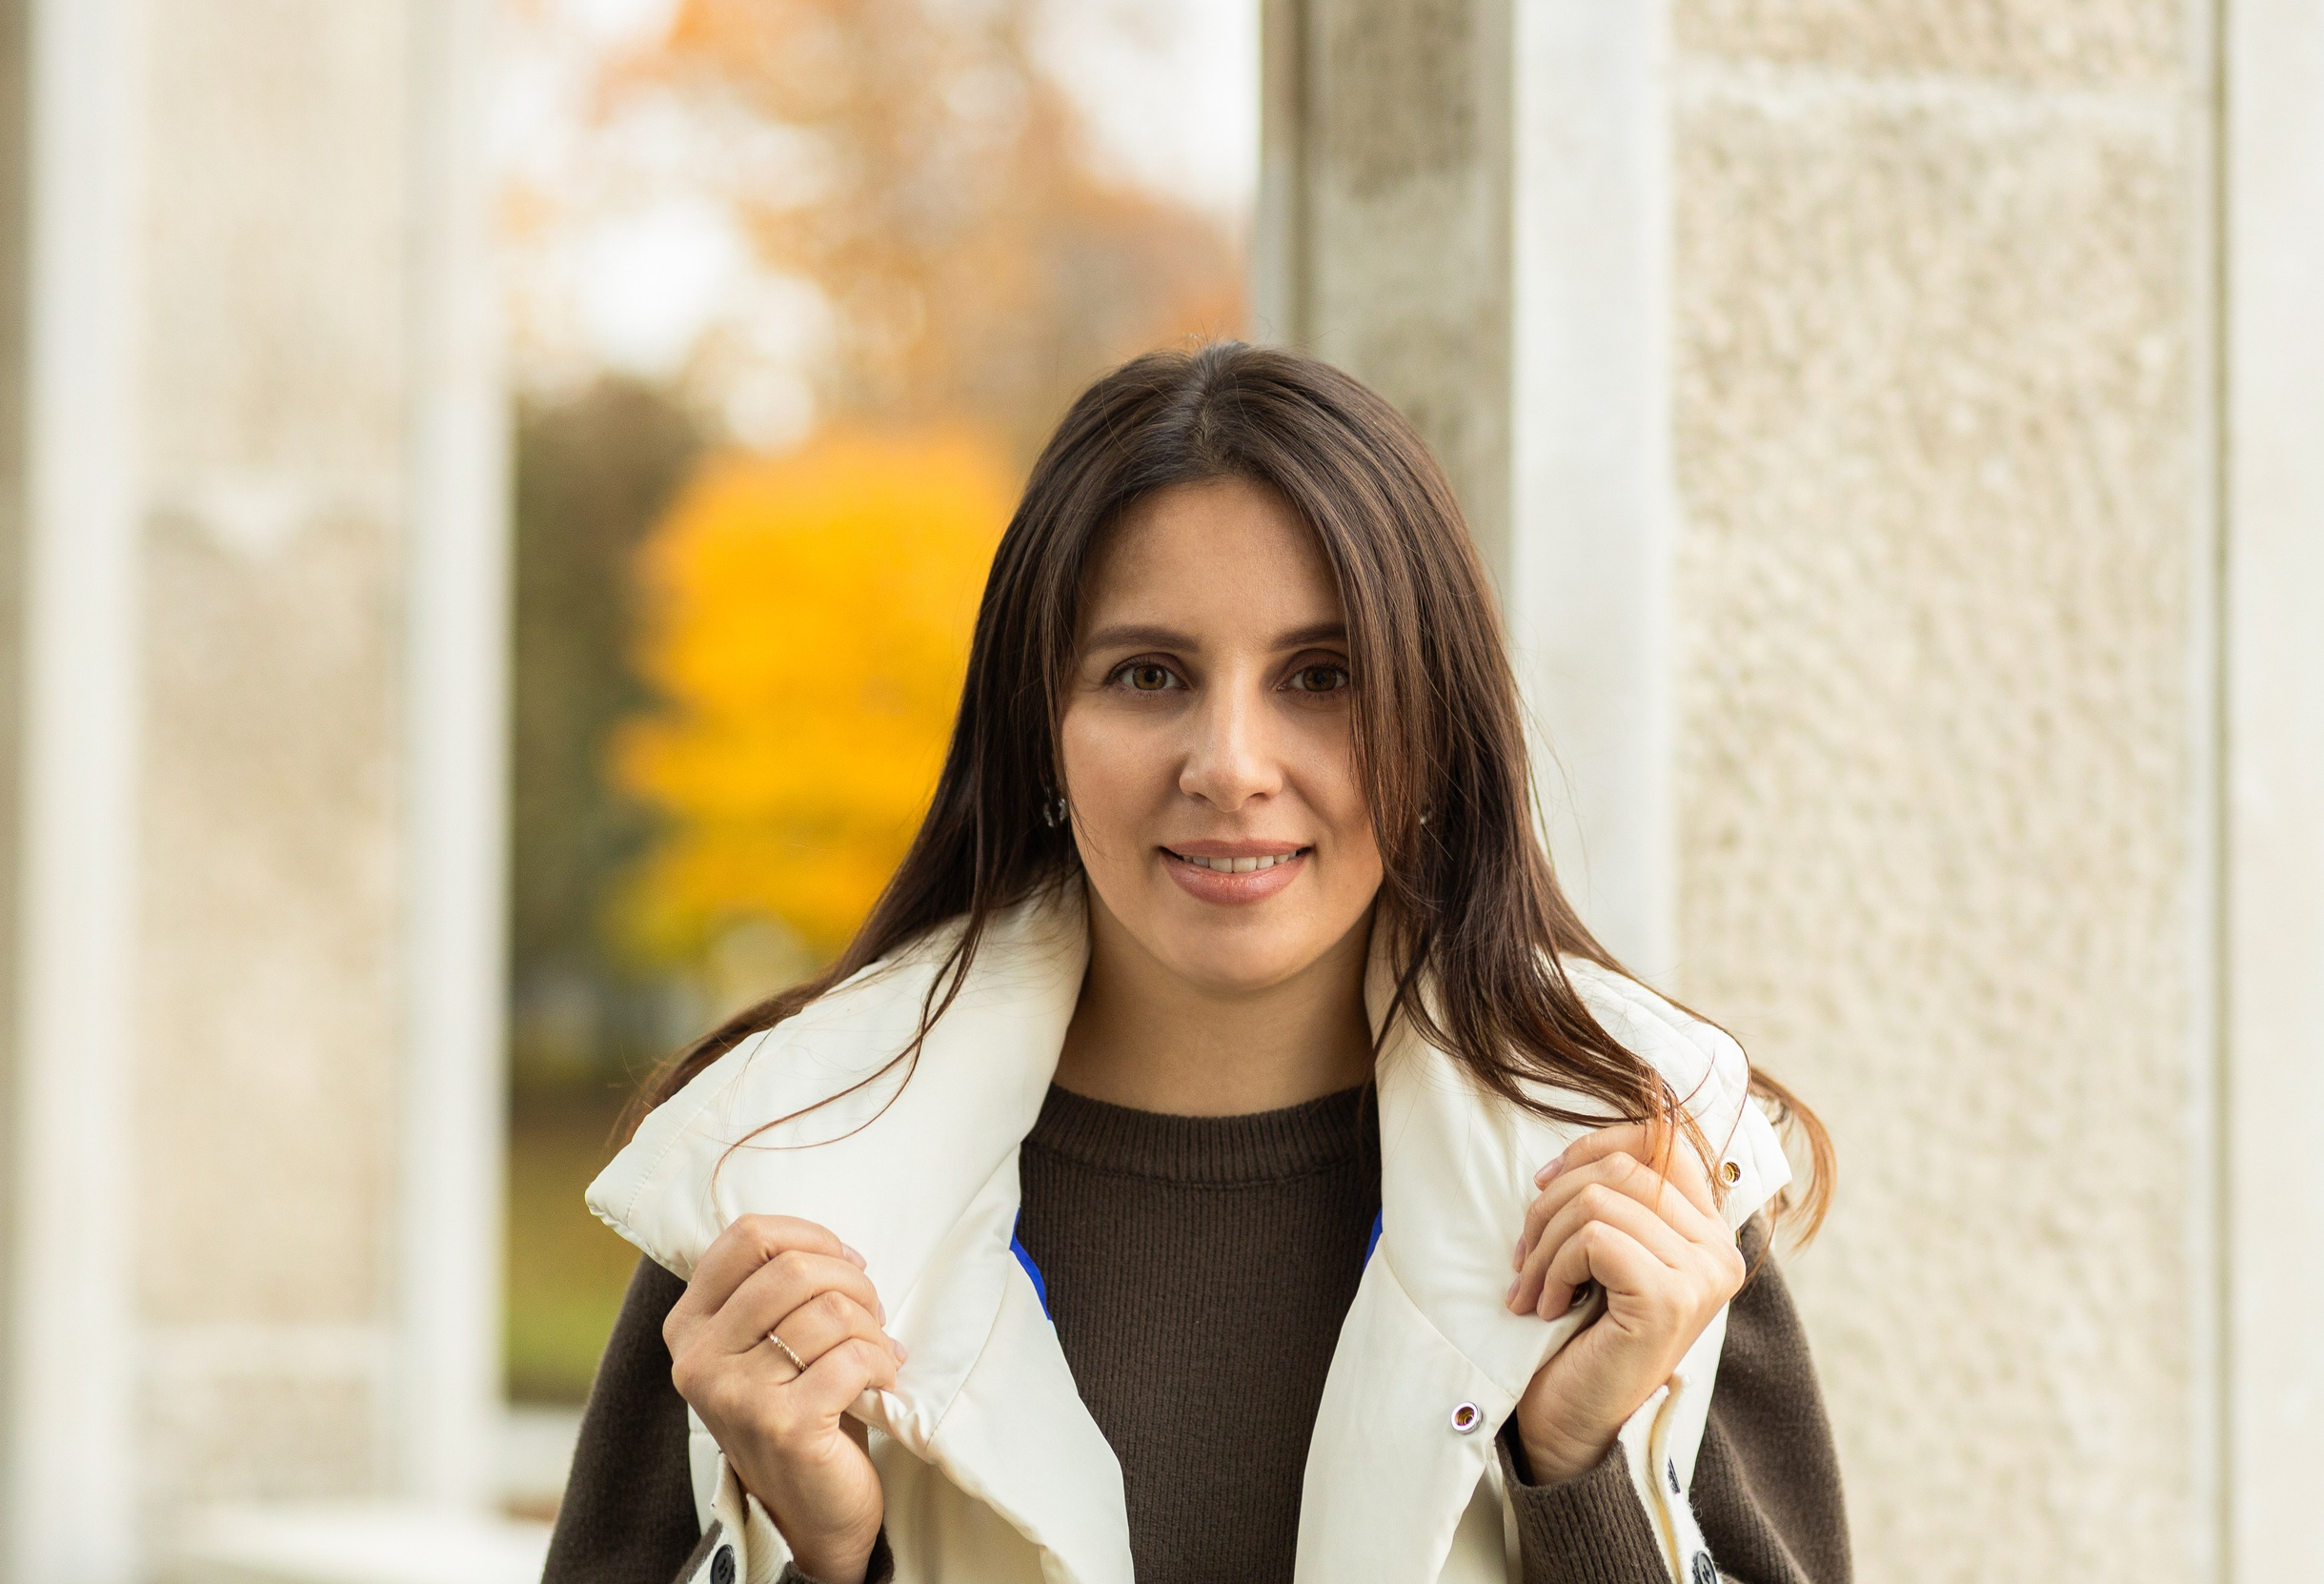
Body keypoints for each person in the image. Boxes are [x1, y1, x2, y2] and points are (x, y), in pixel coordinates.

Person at [542, 343, 1849, 1584]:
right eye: (1150, 673)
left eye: (1323, 674)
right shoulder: (780, 1175)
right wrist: (814, 1555)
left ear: (1433, 723)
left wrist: (1577, 1485)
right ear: (1040, 725)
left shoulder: (1649, 1170)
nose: (1229, 763)